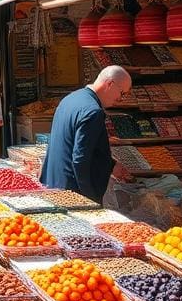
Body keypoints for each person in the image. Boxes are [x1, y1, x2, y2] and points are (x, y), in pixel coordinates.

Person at [40, 66, 132, 204]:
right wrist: (89, 199)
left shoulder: (70, 99)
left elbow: (73, 144)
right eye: (122, 93)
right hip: (72, 194)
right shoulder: (93, 112)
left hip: (53, 183)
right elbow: (80, 159)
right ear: (110, 84)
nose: (121, 99)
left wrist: (111, 165)